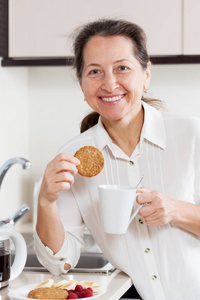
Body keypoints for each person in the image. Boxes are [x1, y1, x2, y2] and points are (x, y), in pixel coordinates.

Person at [35, 19, 200, 300]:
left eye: (122, 68)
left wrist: (174, 210)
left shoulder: (192, 134)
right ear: (82, 83)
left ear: (146, 74)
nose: (110, 84)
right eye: (95, 71)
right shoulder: (73, 159)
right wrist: (45, 201)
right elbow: (60, 262)